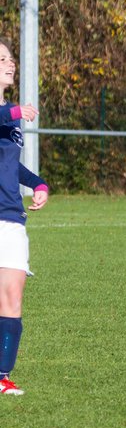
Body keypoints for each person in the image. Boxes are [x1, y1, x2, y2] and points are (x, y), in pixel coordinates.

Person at [0, 42, 46, 397]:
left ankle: (1, 376)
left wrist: (37, 183)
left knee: (13, 297)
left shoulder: (8, 116)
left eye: (11, 58)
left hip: (12, 217)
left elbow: (12, 166)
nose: (10, 63)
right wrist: (15, 112)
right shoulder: (8, 115)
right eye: (1, 59)